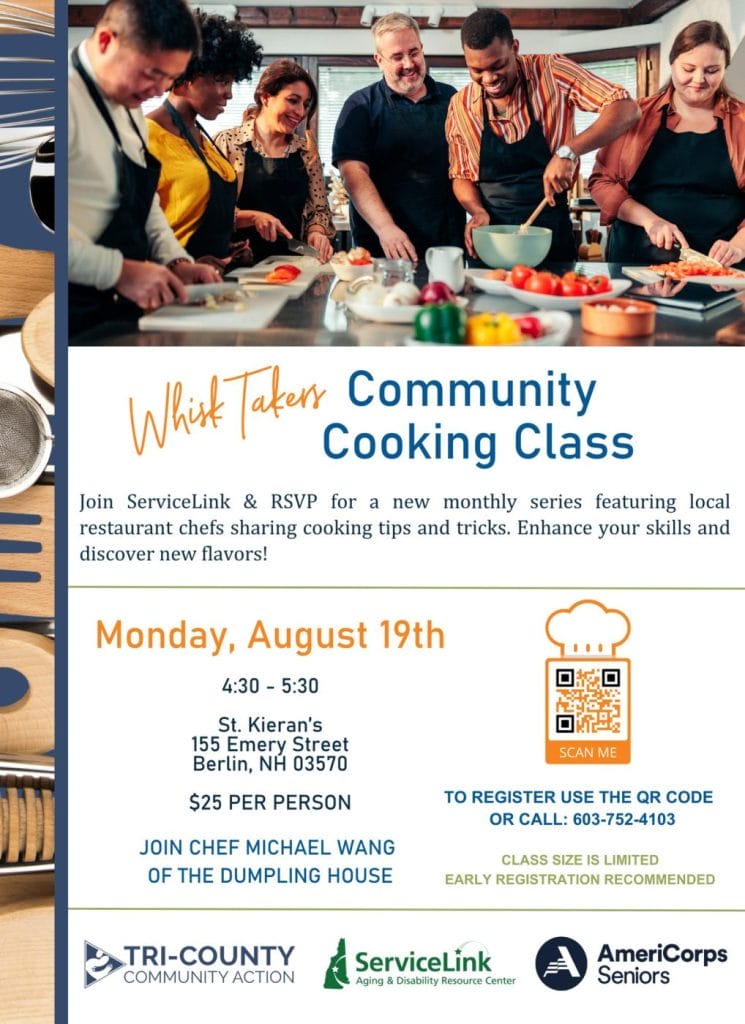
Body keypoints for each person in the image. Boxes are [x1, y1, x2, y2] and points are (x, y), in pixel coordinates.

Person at [69, 0, 222, 337]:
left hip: (121, 313)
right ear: (107, 41)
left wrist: (175, 261)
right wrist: (119, 272)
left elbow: (143, 202)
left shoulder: (130, 104)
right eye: (153, 73)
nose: (160, 90)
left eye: (170, 78)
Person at [446, 8, 640, 261]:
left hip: (550, 234)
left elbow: (626, 108)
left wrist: (569, 151)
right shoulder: (460, 105)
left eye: (498, 65)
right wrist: (476, 212)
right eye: (477, 70)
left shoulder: (552, 71)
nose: (489, 78)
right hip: (492, 239)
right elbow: (461, 175)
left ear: (515, 47)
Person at [590, 20, 745, 267]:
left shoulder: (742, 121)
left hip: (721, 270)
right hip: (638, 262)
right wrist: (650, 221)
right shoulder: (634, 115)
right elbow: (601, 182)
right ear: (672, 63)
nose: (699, 79)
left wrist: (738, 246)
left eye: (712, 70)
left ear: (725, 68)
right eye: (689, 68)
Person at [332, 12, 465, 262]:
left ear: (422, 49)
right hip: (384, 245)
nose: (408, 63)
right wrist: (386, 228)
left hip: (446, 243)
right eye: (397, 57)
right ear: (379, 60)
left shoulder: (452, 99)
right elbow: (353, 174)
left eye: (413, 52)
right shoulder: (360, 105)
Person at [145, 13, 262, 270]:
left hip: (207, 287)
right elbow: (131, 232)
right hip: (166, 289)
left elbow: (192, 215)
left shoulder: (202, 138)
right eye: (222, 80)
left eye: (232, 82)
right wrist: (184, 265)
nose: (229, 93)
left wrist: (224, 249)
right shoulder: (146, 136)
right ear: (184, 75)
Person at [216, 60, 335, 264]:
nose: (300, 112)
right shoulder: (229, 144)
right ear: (266, 97)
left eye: (305, 104)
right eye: (293, 100)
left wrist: (317, 231)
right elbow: (214, 211)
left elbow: (319, 209)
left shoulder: (307, 151)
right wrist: (252, 217)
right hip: (239, 264)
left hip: (293, 264)